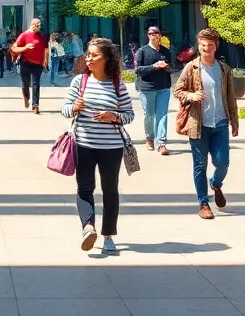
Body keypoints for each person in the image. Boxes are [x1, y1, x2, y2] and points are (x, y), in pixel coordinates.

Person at [61, 37, 135, 254]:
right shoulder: (80, 82)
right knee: (84, 188)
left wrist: (114, 116)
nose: (89, 58)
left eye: (94, 55)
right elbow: (64, 110)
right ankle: (88, 228)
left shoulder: (117, 84)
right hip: (83, 144)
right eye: (88, 54)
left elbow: (129, 115)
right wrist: (74, 107)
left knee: (110, 190)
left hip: (111, 147)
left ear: (106, 59)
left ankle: (109, 235)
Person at [173, 28, 239, 219]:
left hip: (220, 123)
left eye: (210, 45)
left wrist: (234, 121)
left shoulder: (224, 69)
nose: (206, 49)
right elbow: (177, 90)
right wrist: (191, 95)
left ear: (215, 46)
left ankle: (216, 183)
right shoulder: (191, 68)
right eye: (203, 45)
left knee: (223, 162)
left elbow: (230, 97)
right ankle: (203, 203)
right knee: (199, 165)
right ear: (199, 46)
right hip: (198, 123)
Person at [133, 26, 173, 155]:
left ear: (160, 35)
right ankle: (149, 138)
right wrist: (154, 66)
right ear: (148, 36)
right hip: (147, 88)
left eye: (156, 33)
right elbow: (138, 70)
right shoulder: (142, 51)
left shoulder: (166, 51)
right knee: (149, 115)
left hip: (164, 87)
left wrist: (166, 67)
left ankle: (161, 143)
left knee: (162, 115)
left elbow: (172, 68)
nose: (153, 35)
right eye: (150, 33)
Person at [10, 18, 48, 113]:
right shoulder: (24, 35)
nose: (39, 27)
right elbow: (14, 48)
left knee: (36, 84)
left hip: (38, 63)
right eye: (37, 25)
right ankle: (26, 98)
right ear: (32, 25)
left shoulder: (42, 36)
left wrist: (46, 61)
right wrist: (25, 47)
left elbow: (46, 49)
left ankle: (35, 105)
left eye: (39, 25)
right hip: (25, 62)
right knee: (25, 83)